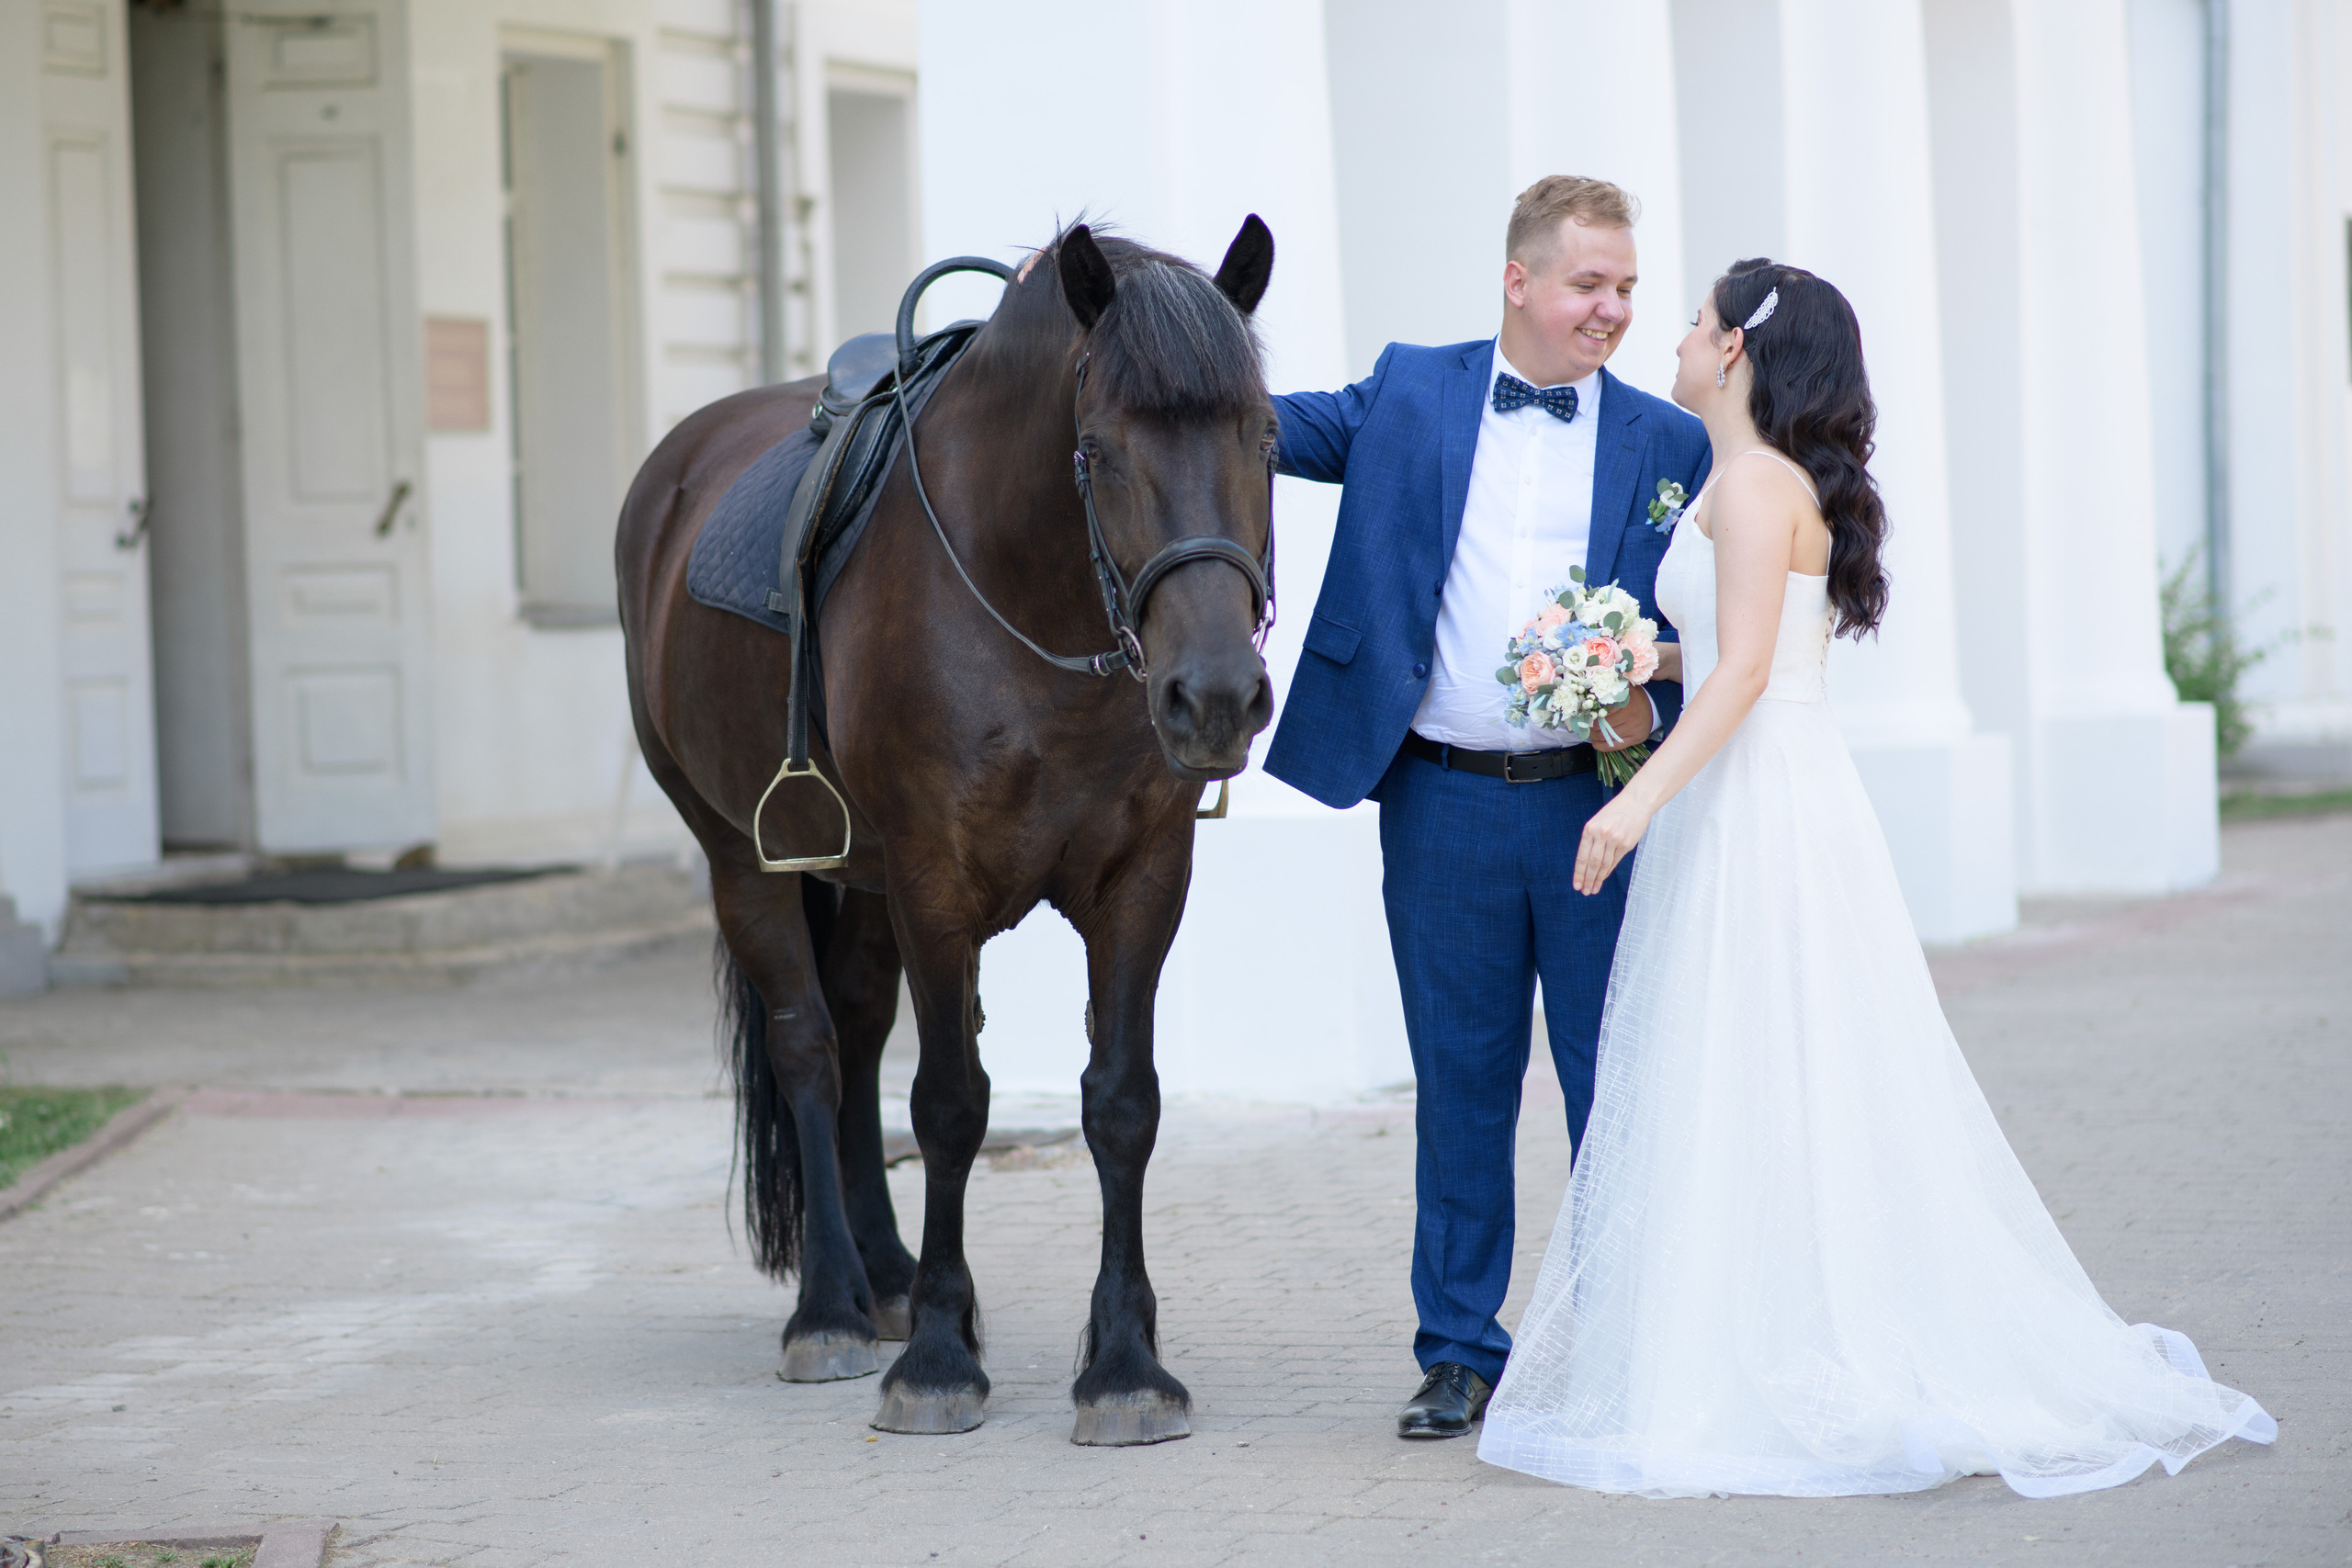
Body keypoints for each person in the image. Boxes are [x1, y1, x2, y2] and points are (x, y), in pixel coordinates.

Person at [1476, 258, 2277, 1497]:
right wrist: (1620, 658)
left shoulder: (1756, 484)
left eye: (1692, 320)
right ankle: (1737, 1326)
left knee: (1769, 1056)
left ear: (1735, 349)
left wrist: (1633, 800)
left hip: (1759, 799)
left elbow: (1750, 674)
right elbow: (1736, 647)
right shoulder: (1750, 481)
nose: (1674, 338)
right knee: (1742, 1063)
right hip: (1751, 788)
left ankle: (1787, 1345)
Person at [1265, 176, 1709, 1439]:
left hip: (1597, 809)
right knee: (1461, 1085)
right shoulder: (1412, 390)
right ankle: (1461, 1348)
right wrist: (1123, 332)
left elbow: (1712, 629)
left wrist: (1645, 676)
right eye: (1589, 284)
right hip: (1441, 802)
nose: (1613, 309)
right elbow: (1258, 426)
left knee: (1610, 1081)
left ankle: (1617, 1343)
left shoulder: (1669, 445)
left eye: (1628, 288)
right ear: (1518, 281)